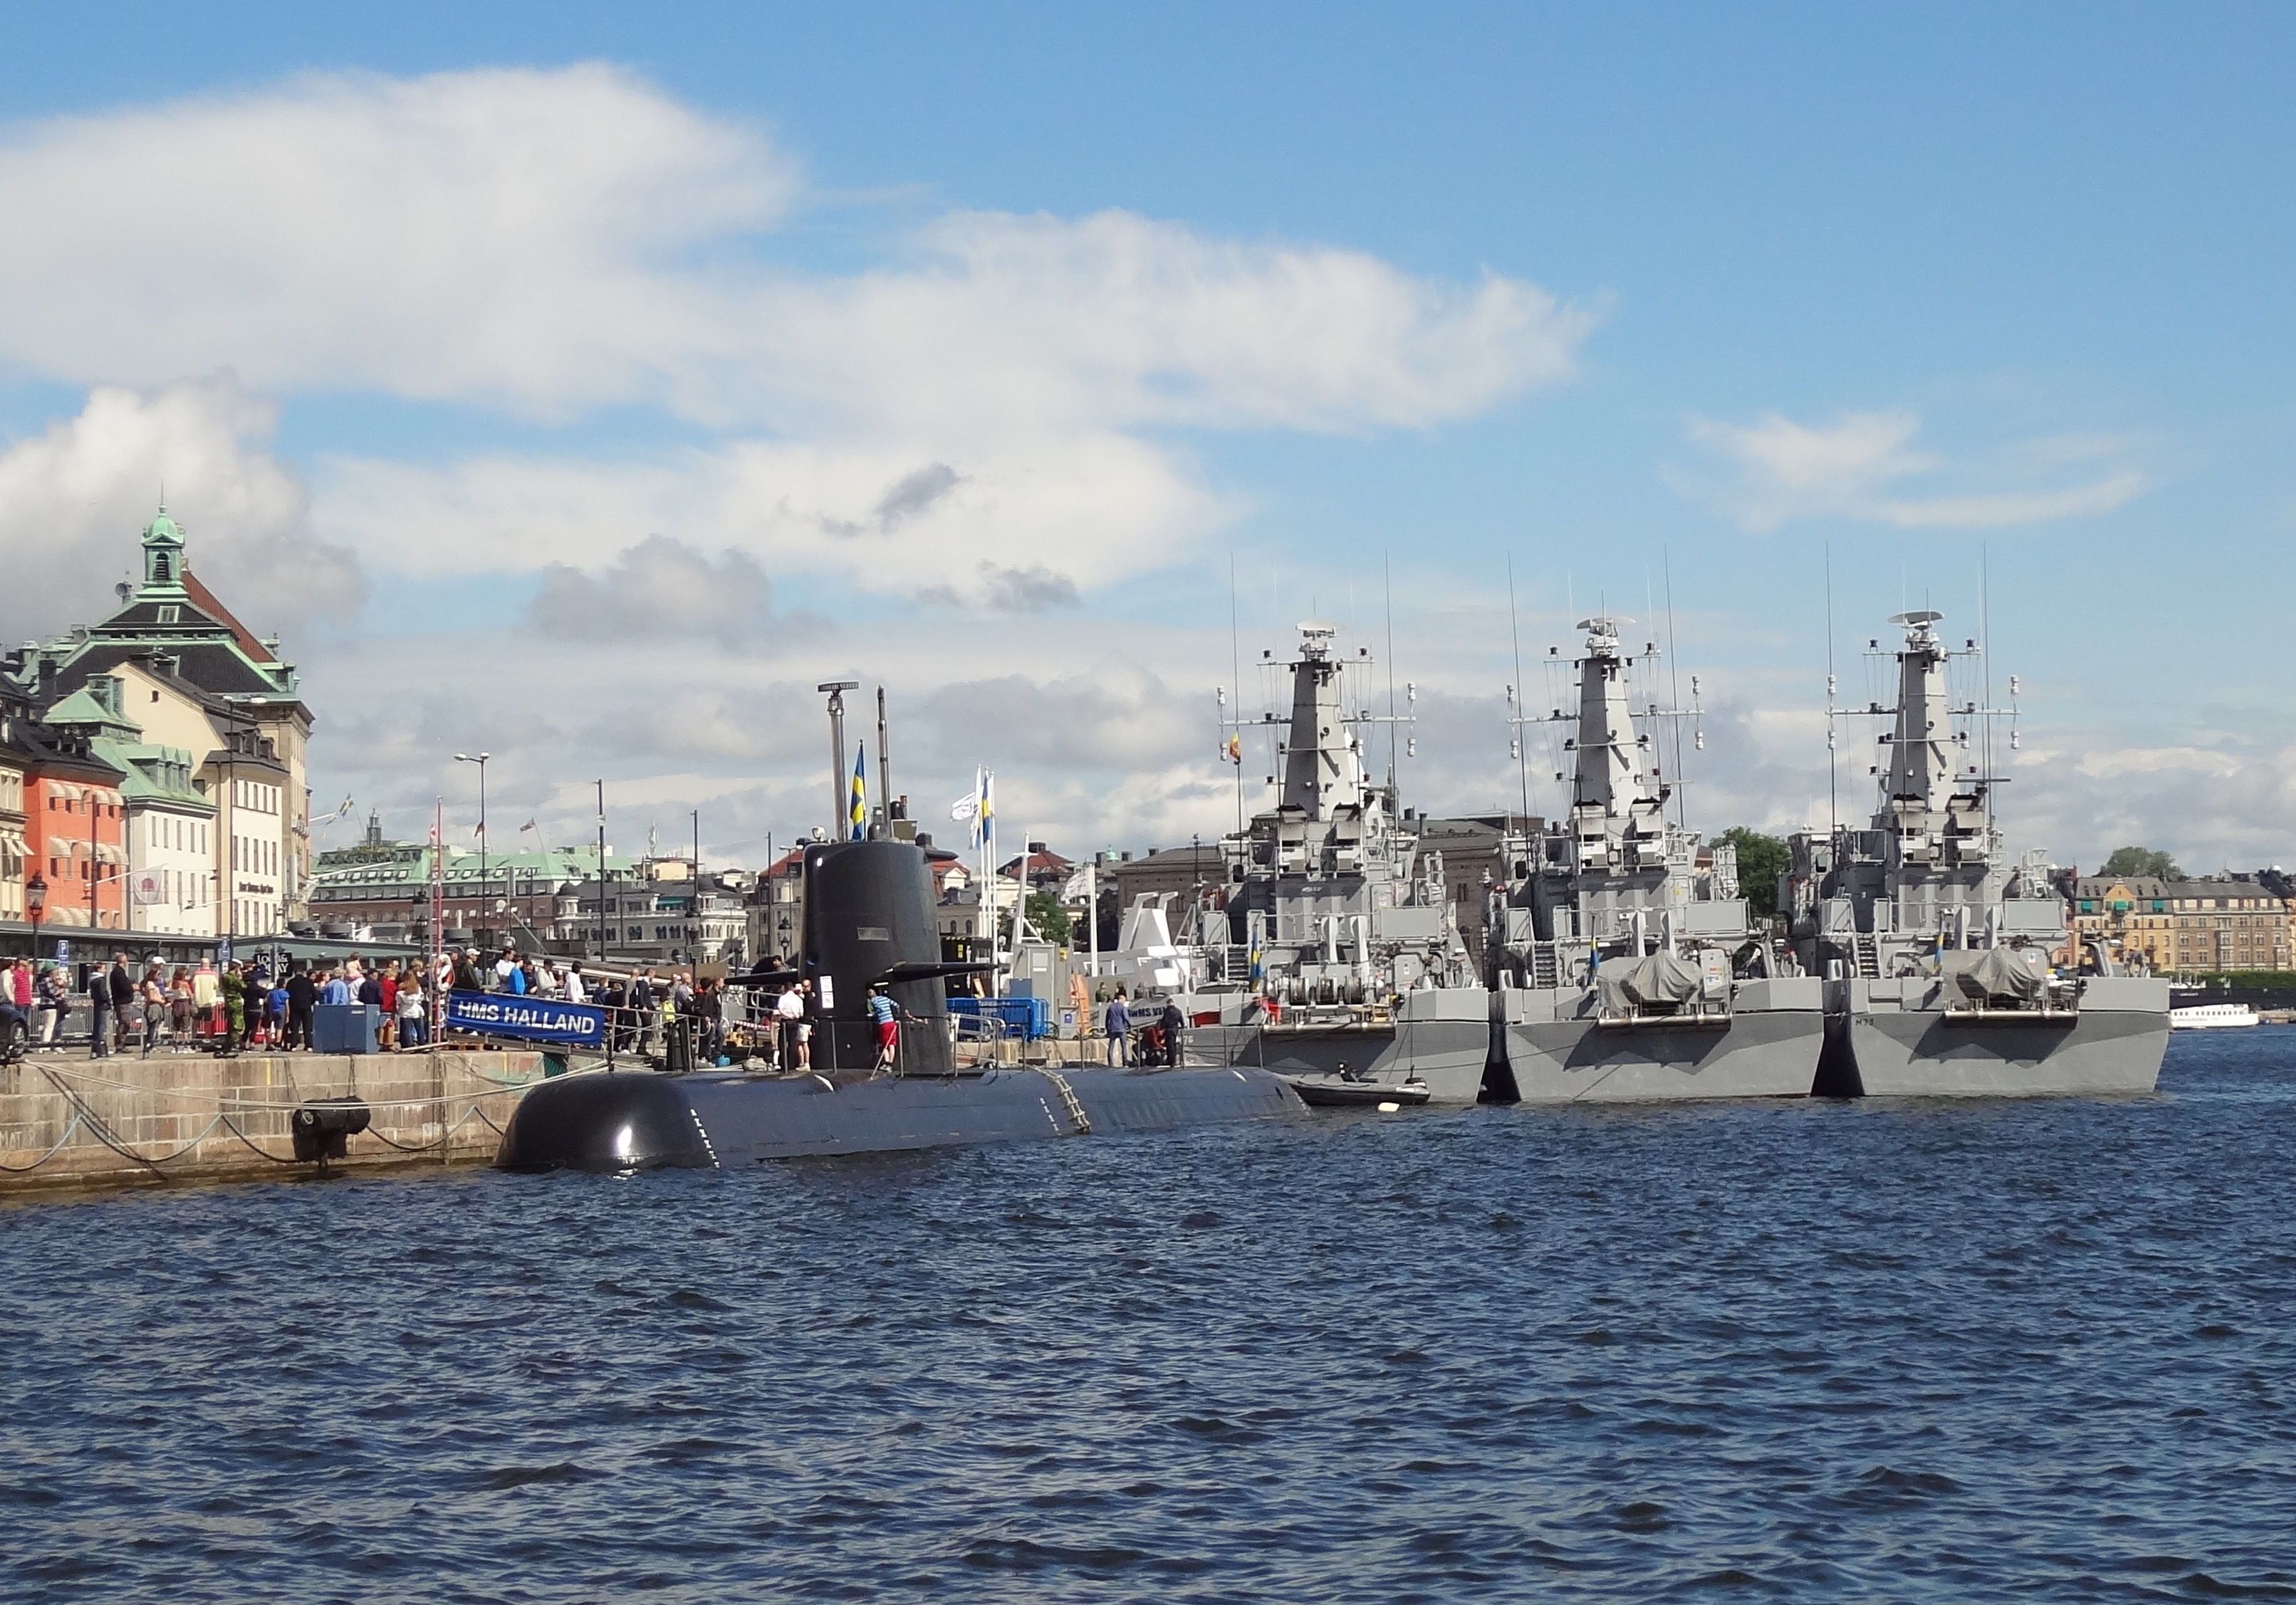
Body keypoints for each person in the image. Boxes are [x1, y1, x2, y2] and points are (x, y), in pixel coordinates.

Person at [867, 983, 908, 1073]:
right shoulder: (885, 998)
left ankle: (887, 1063)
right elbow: (897, 1005)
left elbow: (878, 1011)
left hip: (884, 1024)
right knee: (892, 1044)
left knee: (885, 1045)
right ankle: (890, 1064)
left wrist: (872, 1014)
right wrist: (896, 1014)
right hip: (891, 1022)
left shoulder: (873, 1001)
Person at [284, 963, 317, 1050]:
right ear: (303, 973)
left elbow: (288, 995)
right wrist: (310, 1002)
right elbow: (314, 994)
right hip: (306, 1006)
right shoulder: (309, 982)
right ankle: (309, 1045)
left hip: (294, 1007)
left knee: (295, 1027)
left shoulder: (291, 982)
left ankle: (293, 1045)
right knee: (307, 1027)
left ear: (295, 973)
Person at [140, 962, 169, 1057]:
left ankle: (151, 1045)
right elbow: (152, 997)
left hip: (157, 1006)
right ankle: (149, 1046)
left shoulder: (154, 984)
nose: (160, 976)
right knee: (152, 1028)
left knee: (155, 1027)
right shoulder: (150, 984)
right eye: (158, 974)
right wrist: (162, 1001)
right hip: (153, 1007)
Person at [107, 956, 134, 1053]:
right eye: (126, 959)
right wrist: (132, 988)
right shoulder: (118, 973)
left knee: (125, 1023)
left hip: (122, 1001)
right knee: (124, 1023)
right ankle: (120, 1045)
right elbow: (124, 987)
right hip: (122, 1002)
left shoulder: (118, 972)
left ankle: (121, 1044)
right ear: (123, 961)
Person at [397, 968, 427, 1050]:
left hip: (405, 1011)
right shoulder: (417, 987)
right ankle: (422, 1043)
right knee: (420, 1028)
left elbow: (398, 1001)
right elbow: (420, 998)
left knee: (406, 1030)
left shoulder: (401, 987)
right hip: (416, 1009)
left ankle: (408, 1045)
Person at [89, 960, 113, 1058]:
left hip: (96, 1004)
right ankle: (101, 1048)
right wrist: (108, 999)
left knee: (97, 1024)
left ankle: (95, 1049)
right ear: (99, 969)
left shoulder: (92, 980)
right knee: (101, 1026)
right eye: (104, 968)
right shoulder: (101, 980)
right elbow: (103, 993)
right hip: (102, 1005)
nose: (105, 970)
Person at [1104, 987, 1131, 1067]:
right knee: (1124, 1047)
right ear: (1121, 999)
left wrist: (1107, 1028)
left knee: (1111, 1046)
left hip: (1112, 1029)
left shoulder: (1111, 1007)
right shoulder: (1123, 1008)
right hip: (1121, 1029)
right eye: (1124, 1000)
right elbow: (1126, 1018)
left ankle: (1110, 1063)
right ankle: (1125, 1062)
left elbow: (1107, 1019)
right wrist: (1130, 1026)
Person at [1158, 995, 1184, 1067]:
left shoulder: (1168, 1011)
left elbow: (1165, 1020)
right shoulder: (1178, 1011)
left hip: (1169, 1029)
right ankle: (1174, 1060)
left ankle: (1171, 1061)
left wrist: (1162, 1028)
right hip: (1175, 1029)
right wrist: (1182, 1026)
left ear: (1168, 1003)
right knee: (1174, 1045)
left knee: (1170, 1046)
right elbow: (1181, 1020)